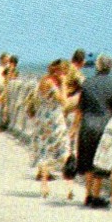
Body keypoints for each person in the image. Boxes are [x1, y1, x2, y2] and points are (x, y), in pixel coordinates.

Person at [76, 55, 112, 207]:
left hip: (87, 123)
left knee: (88, 159)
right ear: (111, 67)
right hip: (105, 124)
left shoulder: (87, 83)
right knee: (101, 160)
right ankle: (96, 196)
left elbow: (81, 107)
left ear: (97, 66)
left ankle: (88, 194)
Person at [31, 61, 74, 200]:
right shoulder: (52, 84)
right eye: (65, 72)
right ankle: (68, 187)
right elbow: (65, 103)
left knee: (45, 151)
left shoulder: (43, 81)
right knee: (64, 150)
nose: (66, 75)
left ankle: (44, 186)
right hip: (54, 120)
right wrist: (63, 84)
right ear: (59, 71)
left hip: (42, 119)